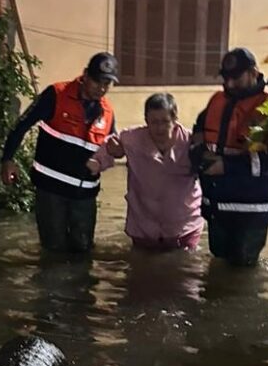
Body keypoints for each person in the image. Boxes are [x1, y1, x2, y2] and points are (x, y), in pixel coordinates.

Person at [0, 52, 118, 253]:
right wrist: (7, 159)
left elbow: (111, 149)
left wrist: (105, 160)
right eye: (98, 81)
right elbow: (21, 125)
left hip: (84, 197)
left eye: (107, 83)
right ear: (85, 75)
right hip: (51, 192)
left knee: (84, 251)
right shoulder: (56, 94)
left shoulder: (107, 112)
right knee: (53, 252)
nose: (102, 88)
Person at [190, 48, 268, 267]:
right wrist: (200, 156)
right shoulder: (216, 101)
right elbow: (198, 134)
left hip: (251, 213)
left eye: (236, 78)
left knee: (242, 275)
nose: (230, 83)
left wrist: (227, 166)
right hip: (216, 207)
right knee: (218, 268)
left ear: (254, 73)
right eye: (226, 78)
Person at [87, 93, 203, 251]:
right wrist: (97, 162)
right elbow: (108, 148)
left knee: (186, 271)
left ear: (175, 118)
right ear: (146, 120)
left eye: (165, 122)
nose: (160, 128)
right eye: (154, 122)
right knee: (141, 273)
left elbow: (212, 162)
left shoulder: (191, 143)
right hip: (144, 230)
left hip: (185, 229)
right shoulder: (131, 139)